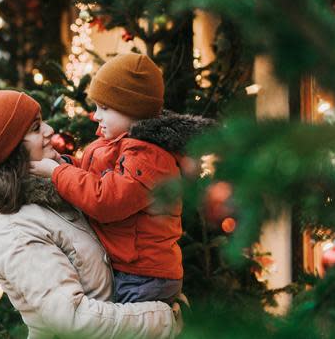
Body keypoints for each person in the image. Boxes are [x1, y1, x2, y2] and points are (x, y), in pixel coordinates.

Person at [0, 90, 181, 339]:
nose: (50, 130)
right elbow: (72, 319)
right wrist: (164, 318)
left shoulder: (60, 190)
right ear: (13, 148)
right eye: (36, 127)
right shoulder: (12, 228)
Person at [30, 53, 213, 304]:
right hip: (129, 269)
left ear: (133, 110)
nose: (95, 116)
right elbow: (92, 176)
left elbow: (106, 201)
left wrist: (57, 173)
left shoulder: (148, 157)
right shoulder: (117, 145)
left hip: (145, 276)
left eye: (104, 108)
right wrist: (64, 165)